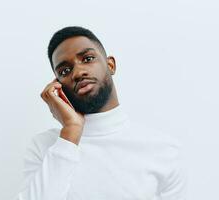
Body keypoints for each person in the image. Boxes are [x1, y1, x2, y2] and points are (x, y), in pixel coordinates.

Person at [15, 26, 186, 200]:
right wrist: (71, 130)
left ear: (110, 64)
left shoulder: (164, 150)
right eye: (65, 71)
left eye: (88, 58)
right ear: (57, 86)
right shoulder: (44, 146)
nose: (78, 73)